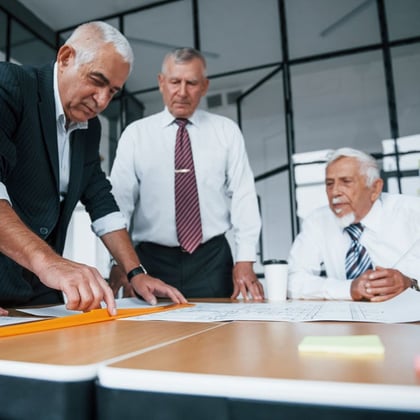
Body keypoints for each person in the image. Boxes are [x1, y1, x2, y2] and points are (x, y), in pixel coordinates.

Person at [0, 21, 186, 315]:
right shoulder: (10, 84)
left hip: (38, 295)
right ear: (65, 58)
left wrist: (136, 272)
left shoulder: (89, 128)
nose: (102, 101)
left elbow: (101, 201)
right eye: (97, 80)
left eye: (112, 91)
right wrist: (49, 263)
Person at [109, 47, 263, 300]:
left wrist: (245, 259)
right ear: (161, 83)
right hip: (149, 261)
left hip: (212, 260)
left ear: (204, 86)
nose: (182, 92)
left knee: (220, 334)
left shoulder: (226, 132)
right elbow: (119, 204)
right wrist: (118, 262)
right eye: (174, 82)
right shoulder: (135, 135)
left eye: (191, 83)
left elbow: (243, 195)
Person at [288, 147, 420, 301]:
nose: (335, 192)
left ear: (375, 188)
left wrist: (411, 283)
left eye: (346, 182)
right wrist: (348, 289)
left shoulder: (413, 212)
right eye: (329, 184)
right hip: (351, 321)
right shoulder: (318, 221)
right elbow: (292, 280)